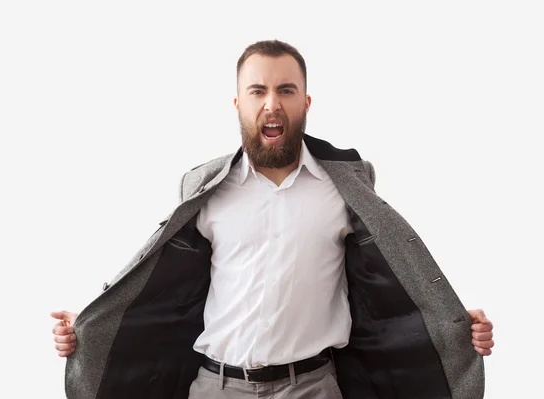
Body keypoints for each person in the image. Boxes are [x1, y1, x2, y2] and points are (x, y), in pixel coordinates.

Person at [51, 40, 494, 399]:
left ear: (305, 101)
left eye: (285, 90)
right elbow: (160, 291)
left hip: (314, 387)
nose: (272, 103)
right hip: (215, 388)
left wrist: (450, 323)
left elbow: (386, 284)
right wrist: (91, 326)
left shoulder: (345, 187)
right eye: (257, 91)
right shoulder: (204, 188)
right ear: (238, 103)